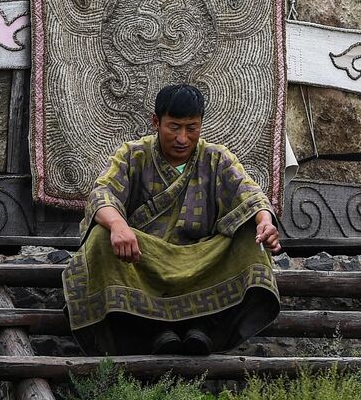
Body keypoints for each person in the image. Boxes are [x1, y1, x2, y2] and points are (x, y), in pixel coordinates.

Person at [62, 83, 284, 355]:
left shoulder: (217, 158)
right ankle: (150, 329)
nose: (182, 138)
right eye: (174, 127)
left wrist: (264, 222)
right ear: (156, 122)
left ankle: (204, 327)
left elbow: (250, 195)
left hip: (201, 261)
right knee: (100, 236)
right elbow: (102, 194)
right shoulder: (133, 154)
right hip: (145, 261)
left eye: (191, 128)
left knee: (251, 235)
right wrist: (118, 225)